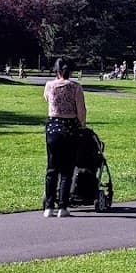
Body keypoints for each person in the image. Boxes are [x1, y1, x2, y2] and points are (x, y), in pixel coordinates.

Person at [43, 57, 87, 217]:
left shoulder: (49, 86)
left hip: (53, 128)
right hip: (70, 129)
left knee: (51, 169)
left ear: (56, 71)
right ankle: (63, 206)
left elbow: (47, 100)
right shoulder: (76, 87)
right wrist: (82, 125)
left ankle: (48, 206)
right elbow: (81, 110)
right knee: (67, 170)